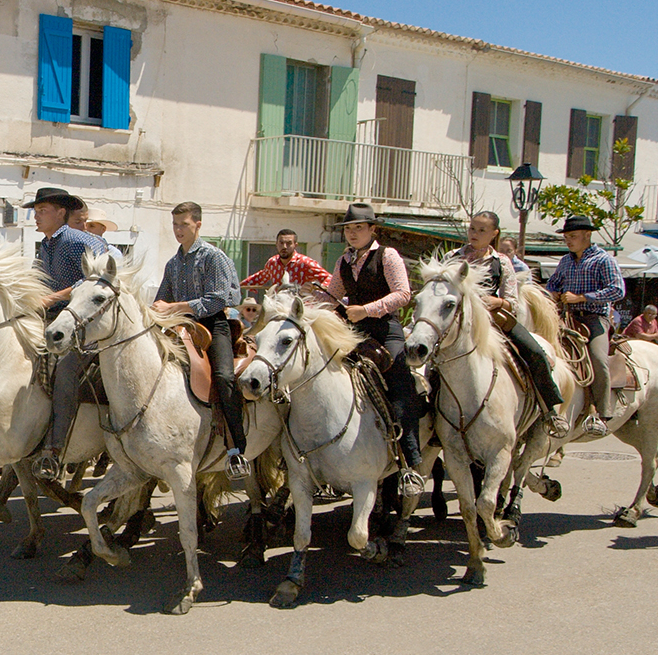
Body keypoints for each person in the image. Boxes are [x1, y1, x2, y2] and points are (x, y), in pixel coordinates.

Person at [319, 202, 426, 493]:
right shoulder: (344, 260)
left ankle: (410, 462)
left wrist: (367, 310)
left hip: (385, 329)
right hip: (353, 331)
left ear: (372, 229)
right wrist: (313, 304)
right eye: (349, 229)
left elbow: (403, 294)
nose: (352, 234)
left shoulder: (388, 255)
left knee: (399, 381)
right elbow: (332, 295)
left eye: (358, 228)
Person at [444, 211, 566, 432]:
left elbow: (513, 303)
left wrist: (497, 301)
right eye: (472, 228)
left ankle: (550, 410)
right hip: (455, 325)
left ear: (494, 234)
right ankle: (429, 419)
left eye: (482, 230)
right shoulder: (452, 257)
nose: (475, 234)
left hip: (492, 323)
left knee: (535, 352)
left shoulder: (502, 262)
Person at [153, 201, 249, 478]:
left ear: (198, 224)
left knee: (224, 376)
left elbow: (219, 299)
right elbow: (163, 298)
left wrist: (175, 307)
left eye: (183, 224)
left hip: (213, 324)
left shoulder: (212, 256)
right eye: (174, 224)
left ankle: (236, 450)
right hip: (181, 327)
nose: (178, 230)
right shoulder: (173, 263)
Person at [27, 186, 108, 481]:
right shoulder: (44, 245)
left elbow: (94, 279)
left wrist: (52, 297)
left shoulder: (76, 240)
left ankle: (55, 449)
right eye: (35, 212)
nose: (36, 217)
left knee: (65, 372)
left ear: (61, 213)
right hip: (50, 321)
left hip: (81, 322)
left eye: (42, 211)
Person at [545, 214, 625, 437]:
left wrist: (582, 297)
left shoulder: (603, 259)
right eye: (566, 237)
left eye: (572, 236)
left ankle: (602, 412)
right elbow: (552, 283)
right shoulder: (565, 261)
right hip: (566, 318)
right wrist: (553, 292)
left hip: (594, 318)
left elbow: (617, 290)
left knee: (598, 360)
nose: (568, 241)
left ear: (587, 235)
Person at [240, 229, 331, 290]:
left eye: (288, 243)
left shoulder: (305, 263)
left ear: (295, 245)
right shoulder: (272, 263)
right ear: (276, 244)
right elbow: (260, 277)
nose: (284, 247)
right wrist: (239, 287)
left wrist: (319, 288)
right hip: (278, 308)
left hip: (298, 310)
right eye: (281, 243)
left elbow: (328, 278)